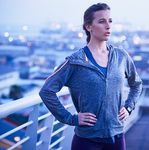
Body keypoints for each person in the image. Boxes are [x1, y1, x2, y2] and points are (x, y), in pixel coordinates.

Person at [39, 3, 142, 150]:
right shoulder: (75, 61)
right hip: (86, 141)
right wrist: (70, 118)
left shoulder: (121, 56)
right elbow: (46, 91)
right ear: (89, 27)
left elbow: (136, 84)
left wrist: (129, 107)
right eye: (102, 21)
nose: (108, 26)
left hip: (117, 137)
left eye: (110, 21)